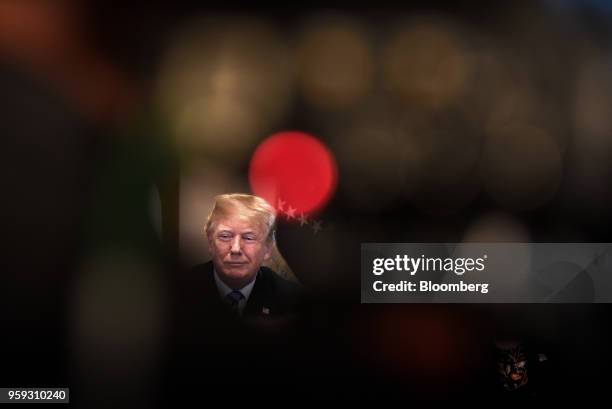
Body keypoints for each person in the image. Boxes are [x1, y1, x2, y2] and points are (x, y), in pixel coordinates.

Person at [188, 193, 303, 320]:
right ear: (210, 242)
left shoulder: (292, 300)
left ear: (268, 248)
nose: (235, 249)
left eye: (248, 238)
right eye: (225, 236)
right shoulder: (179, 291)